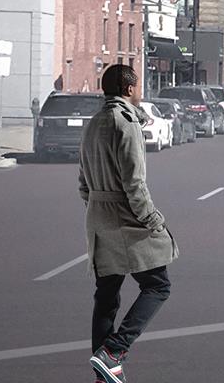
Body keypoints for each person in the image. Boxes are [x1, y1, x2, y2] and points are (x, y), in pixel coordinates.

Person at [79, 63, 177, 383]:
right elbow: (134, 182)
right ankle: (115, 351)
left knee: (106, 295)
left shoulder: (93, 122)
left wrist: (98, 206)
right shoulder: (125, 123)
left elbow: (83, 182)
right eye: (139, 87)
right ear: (130, 89)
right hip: (126, 217)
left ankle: (104, 369)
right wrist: (152, 220)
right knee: (158, 285)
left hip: (97, 216)